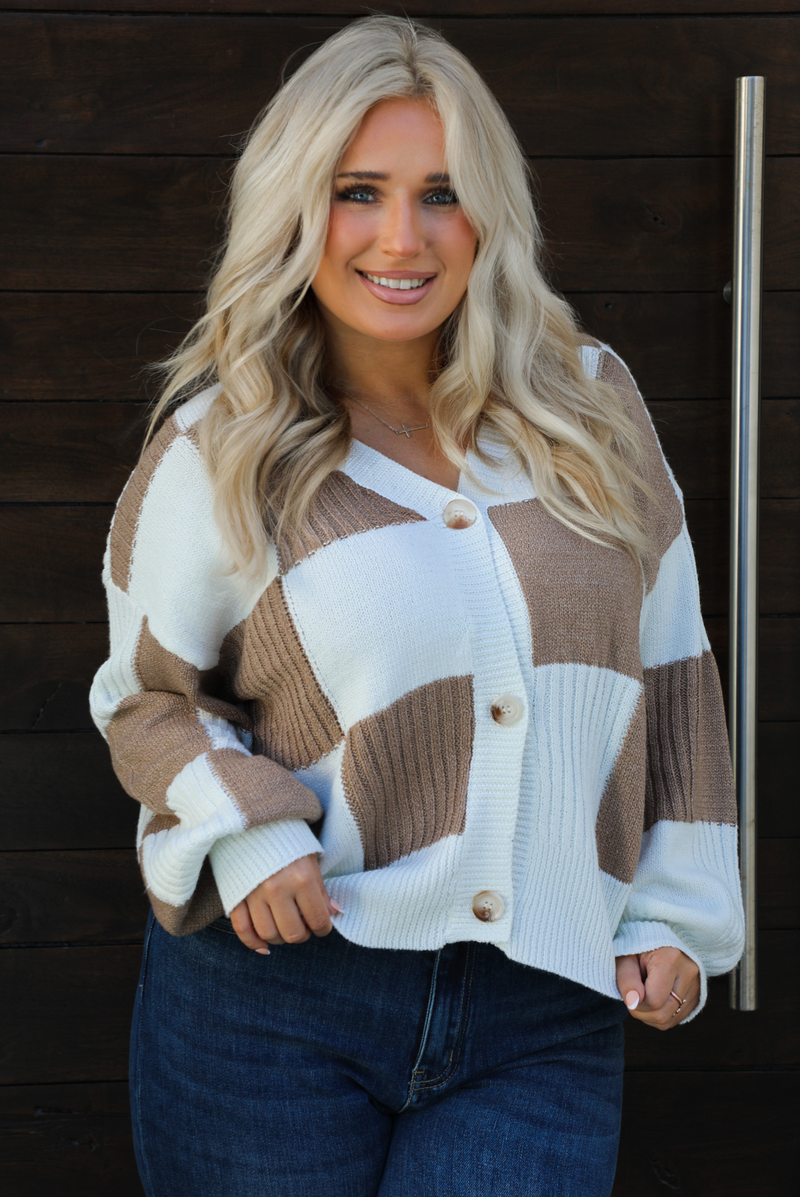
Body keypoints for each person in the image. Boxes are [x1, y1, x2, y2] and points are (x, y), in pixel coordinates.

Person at [89, 16, 745, 1197]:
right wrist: (249, 828)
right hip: (281, 997)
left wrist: (677, 913)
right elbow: (148, 704)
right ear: (297, 208)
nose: (402, 237)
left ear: (489, 212)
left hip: (544, 1006)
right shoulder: (218, 448)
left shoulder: (591, 408)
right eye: (357, 192)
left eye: (441, 193)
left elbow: (674, 671)